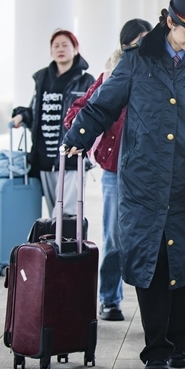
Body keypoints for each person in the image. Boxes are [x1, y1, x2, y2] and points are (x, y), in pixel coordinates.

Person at [61, 0, 185, 369]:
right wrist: (78, 136)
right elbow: (104, 104)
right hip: (142, 182)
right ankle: (156, 348)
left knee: (184, 263)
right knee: (151, 264)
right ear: (170, 22)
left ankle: (180, 341)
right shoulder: (137, 60)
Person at [64, 19, 152, 322]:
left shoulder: (158, 77)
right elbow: (78, 112)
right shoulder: (109, 76)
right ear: (125, 45)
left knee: (146, 240)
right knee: (115, 237)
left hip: (148, 171)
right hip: (115, 171)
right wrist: (82, 137)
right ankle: (110, 299)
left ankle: (150, 308)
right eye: (137, 42)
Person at [11, 29, 95, 216]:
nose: (60, 49)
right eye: (56, 45)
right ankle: (56, 247)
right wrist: (22, 116)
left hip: (72, 159)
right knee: (53, 217)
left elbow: (94, 114)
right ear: (50, 51)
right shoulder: (42, 79)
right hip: (45, 160)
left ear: (75, 49)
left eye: (65, 45)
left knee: (66, 215)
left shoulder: (86, 81)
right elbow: (35, 110)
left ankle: (70, 247)